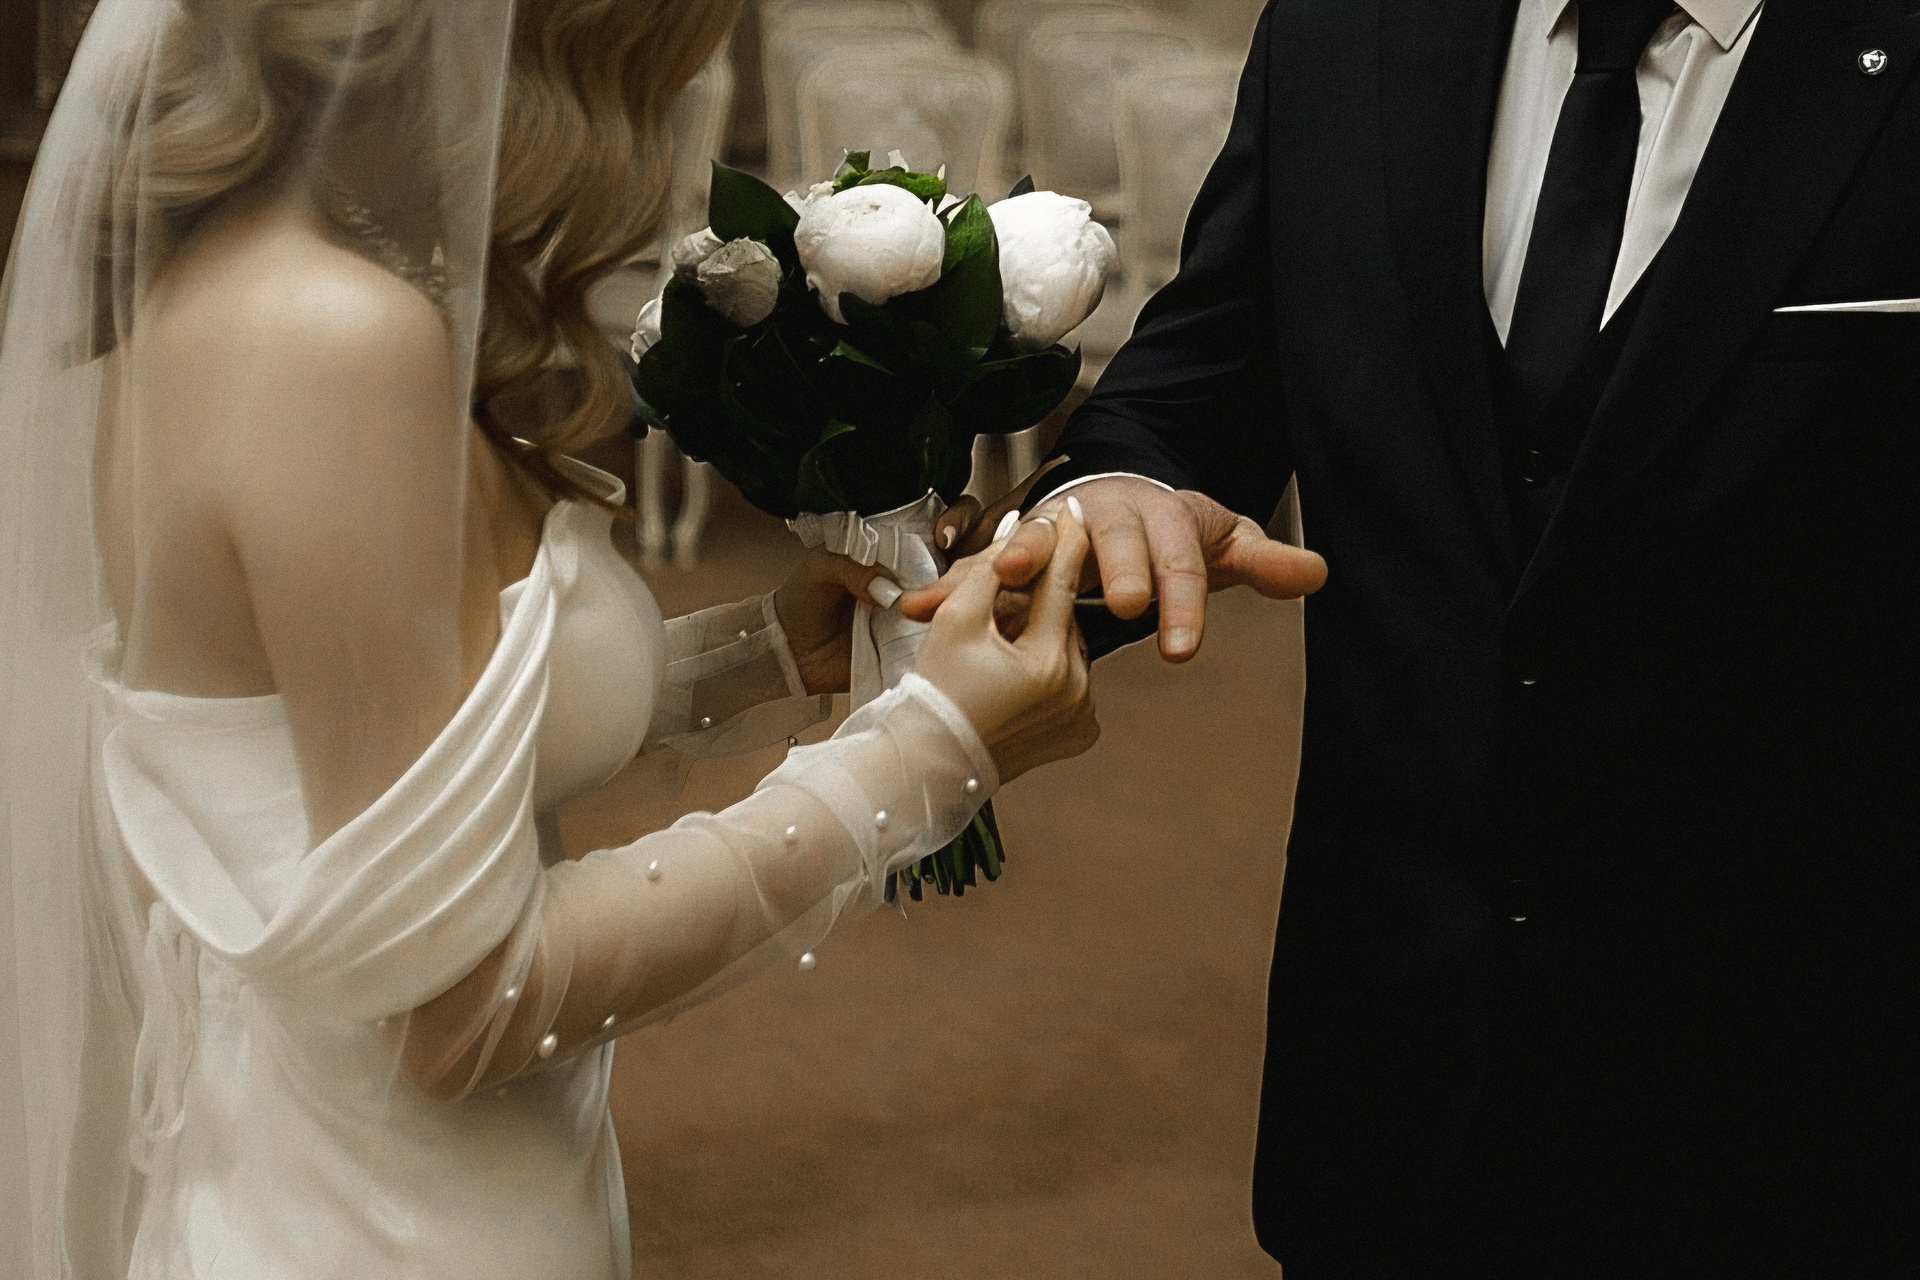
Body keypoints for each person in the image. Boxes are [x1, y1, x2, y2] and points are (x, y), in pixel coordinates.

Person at [0, 1, 1098, 1276]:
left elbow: (380, 726)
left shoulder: (273, 272)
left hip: (369, 1180)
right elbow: (467, 1003)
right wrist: (927, 750)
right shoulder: (328, 334)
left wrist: (758, 652)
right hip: (381, 1225)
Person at [912, 0, 1917, 1272]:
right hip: (1397, 1071)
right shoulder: (1347, 31)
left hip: (1800, 1087)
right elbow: (1203, 379)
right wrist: (1112, 487)